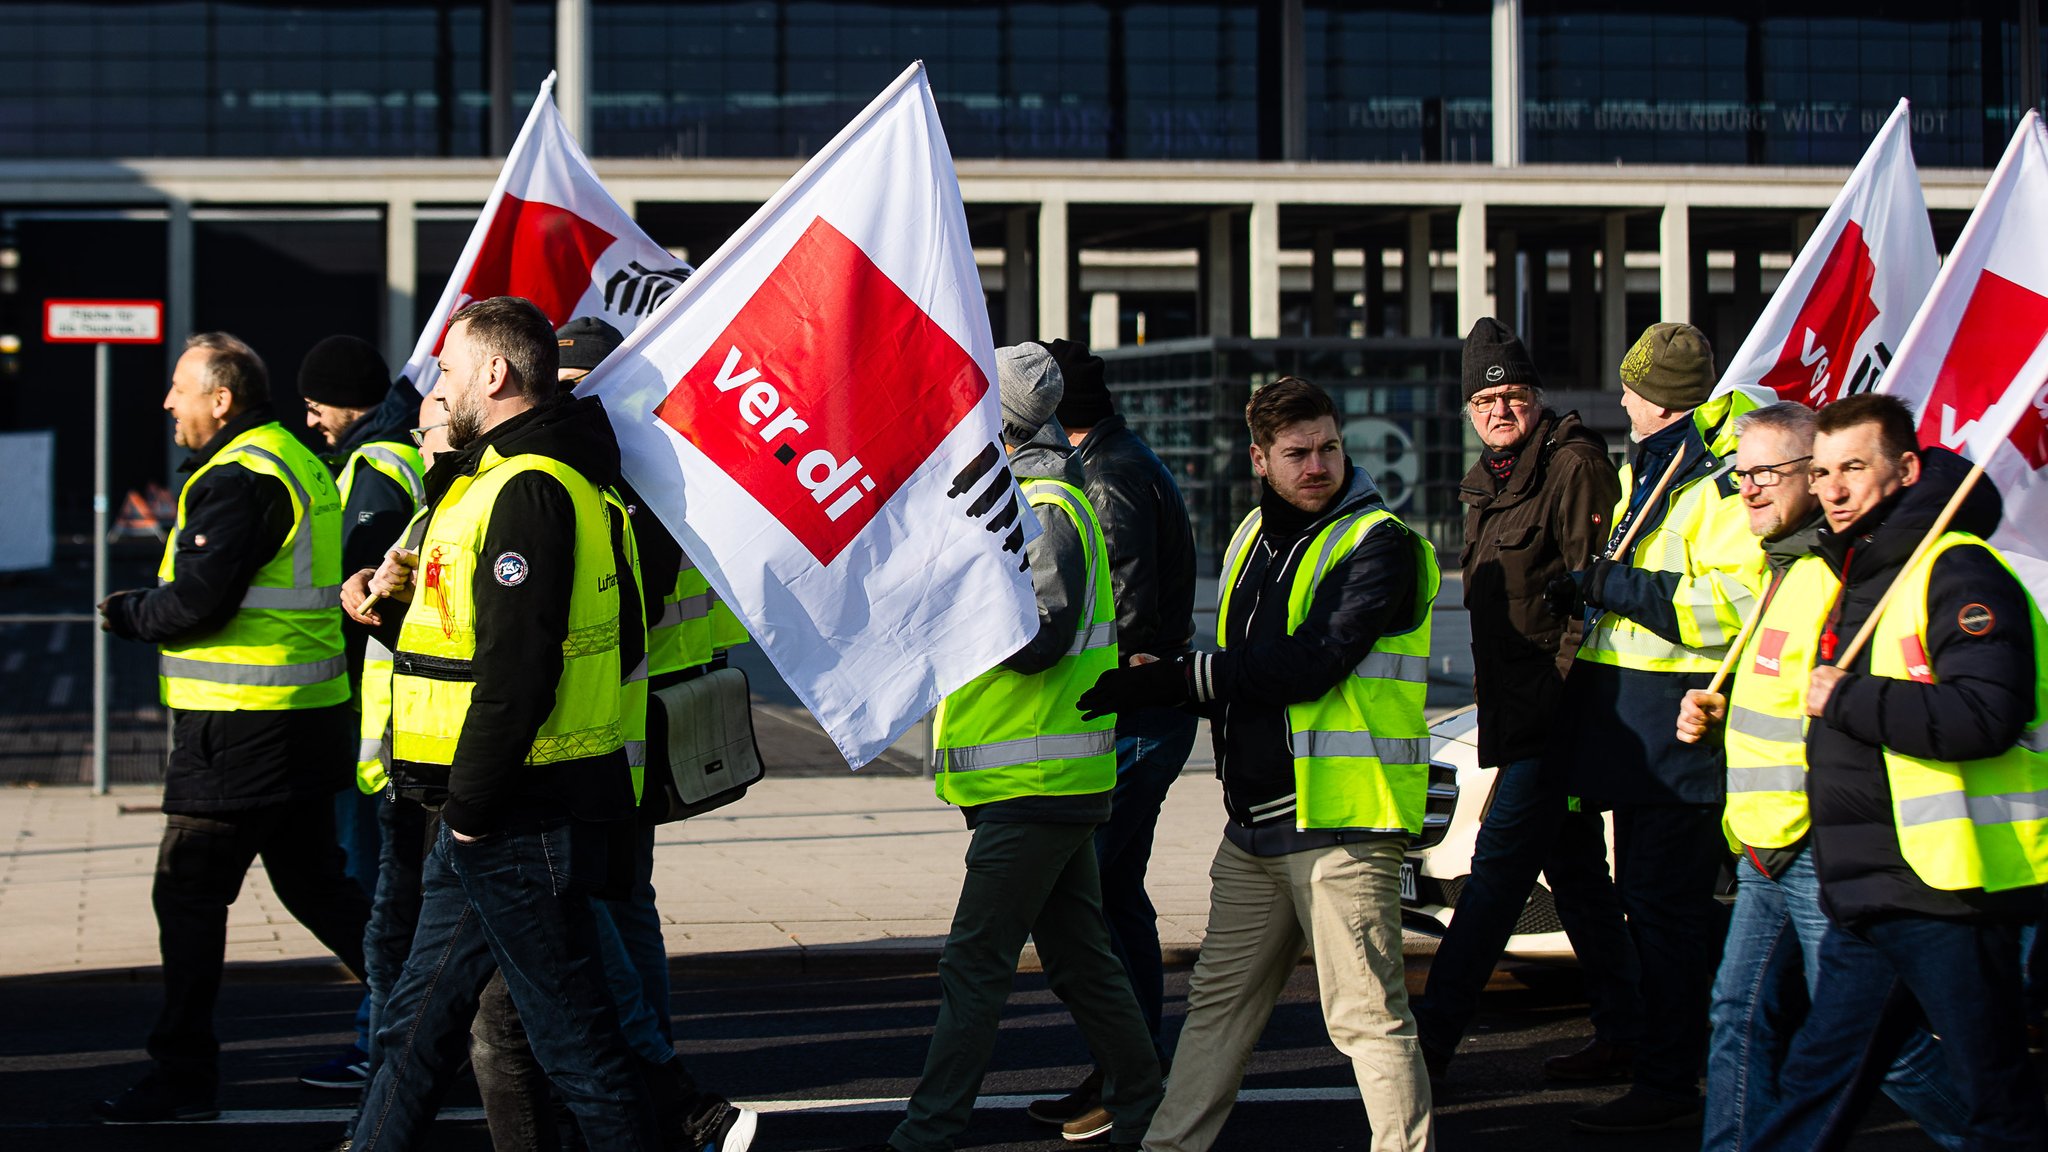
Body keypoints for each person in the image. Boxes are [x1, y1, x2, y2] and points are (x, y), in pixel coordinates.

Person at [1079, 375, 1436, 1152]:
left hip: (1342, 825)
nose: (1318, 466)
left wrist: (1175, 678)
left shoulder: (1380, 543)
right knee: (1215, 1009)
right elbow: (1246, 672)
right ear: (1260, 461)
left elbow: (1309, 665)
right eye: (1298, 453)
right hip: (1256, 830)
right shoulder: (1252, 536)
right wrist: (1168, 674)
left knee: (1367, 1021)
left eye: (1330, 449)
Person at [339, 296, 658, 1151]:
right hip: (484, 808)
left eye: (447, 370)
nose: (435, 386)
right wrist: (388, 606)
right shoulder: (501, 477)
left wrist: (474, 813)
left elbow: (519, 674)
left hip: (516, 811)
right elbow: (471, 640)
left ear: (495, 374)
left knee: (574, 1043)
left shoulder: (530, 487)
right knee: (417, 1023)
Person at [857, 343, 1162, 1152]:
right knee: (1081, 963)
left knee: (975, 963)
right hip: (1034, 775)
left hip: (1038, 779)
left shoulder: (1047, 503)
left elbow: (1041, 639)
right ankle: (1149, 1106)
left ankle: (930, 1129)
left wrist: (948, 611)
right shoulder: (1022, 495)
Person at [463, 315, 756, 1152]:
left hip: (608, 739)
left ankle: (662, 1090)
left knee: (605, 926)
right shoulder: (629, 470)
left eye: (575, 383)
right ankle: (652, 1085)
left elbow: (626, 612)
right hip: (618, 734)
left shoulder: (613, 479)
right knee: (617, 919)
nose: (562, 398)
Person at [1739, 394, 2048, 1151]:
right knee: (1816, 1094)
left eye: (1853, 468)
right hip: (1875, 889)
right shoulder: (1854, 573)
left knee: (1994, 1104)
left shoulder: (1957, 570)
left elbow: (1985, 717)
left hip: (1951, 893)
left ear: (1906, 469)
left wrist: (1849, 696)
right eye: (1821, 472)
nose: (1833, 489)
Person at [93, 332, 370, 1123]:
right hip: (302, 720)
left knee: (187, 895)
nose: (168, 403)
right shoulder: (290, 455)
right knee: (318, 886)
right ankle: (434, 1018)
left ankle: (182, 1080)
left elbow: (194, 602)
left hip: (240, 728)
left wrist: (125, 613)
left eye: (181, 389)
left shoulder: (241, 475)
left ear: (221, 400)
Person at [1677, 401, 1965, 1151]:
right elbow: (1781, 708)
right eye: (1741, 475)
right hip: (1765, 850)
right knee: (1738, 1017)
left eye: (1767, 473)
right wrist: (1715, 717)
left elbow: (1865, 712)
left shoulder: (1844, 576)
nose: (1749, 489)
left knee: (1879, 1046)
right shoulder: (1787, 568)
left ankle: (1997, 1135)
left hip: (1823, 850)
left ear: (1813, 474)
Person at [1411, 317, 1639, 1089]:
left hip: (1553, 716)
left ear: (1535, 398)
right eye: (1485, 399)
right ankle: (1624, 1032)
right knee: (1576, 876)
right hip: (1513, 719)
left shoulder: (1573, 467)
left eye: (1511, 395)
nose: (1499, 408)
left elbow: (1592, 599)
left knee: (1494, 879)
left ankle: (1427, 1049)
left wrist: (1558, 708)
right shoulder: (1490, 479)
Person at [1544, 322, 1756, 1132]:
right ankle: (1678, 1061)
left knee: (1665, 910)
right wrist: (1592, 591)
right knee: (1659, 907)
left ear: (1659, 402)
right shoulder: (1662, 464)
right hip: (1638, 730)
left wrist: (1615, 587)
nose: (1623, 399)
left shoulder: (1718, 480)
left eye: (1633, 387)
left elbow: (1731, 609)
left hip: (1679, 736)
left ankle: (1675, 1081)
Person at [1024, 338, 1199, 1142]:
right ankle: (1130, 1070)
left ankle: (1129, 1075)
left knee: (1084, 900)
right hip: (1145, 715)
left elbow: (1126, 605)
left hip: (1132, 718)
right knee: (1115, 892)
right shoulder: (1124, 458)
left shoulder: (1103, 475)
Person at [296, 333, 426, 1092]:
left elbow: (366, 600)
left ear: (349, 403)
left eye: (317, 408)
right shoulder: (397, 454)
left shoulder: (373, 469)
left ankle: (381, 1050)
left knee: (377, 890)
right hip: (391, 706)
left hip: (373, 709)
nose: (312, 421)